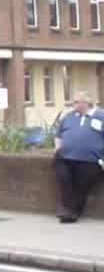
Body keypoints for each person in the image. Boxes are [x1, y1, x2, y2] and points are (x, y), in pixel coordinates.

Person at [52, 91, 104, 223]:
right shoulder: (69, 117)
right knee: (64, 179)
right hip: (65, 157)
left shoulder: (100, 116)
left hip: (91, 160)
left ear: (88, 103)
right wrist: (58, 148)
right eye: (75, 102)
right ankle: (70, 211)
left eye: (81, 102)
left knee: (82, 185)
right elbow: (58, 135)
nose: (77, 105)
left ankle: (71, 212)